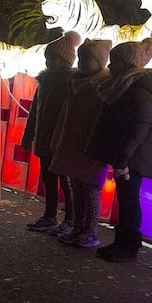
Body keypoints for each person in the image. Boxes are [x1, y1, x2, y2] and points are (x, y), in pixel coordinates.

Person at [86, 38, 152, 263]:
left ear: (127, 64)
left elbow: (139, 127)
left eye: (116, 62)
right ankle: (122, 242)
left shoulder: (138, 92)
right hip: (129, 155)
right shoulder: (128, 87)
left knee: (130, 200)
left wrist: (123, 157)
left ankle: (128, 246)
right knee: (125, 199)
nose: (111, 67)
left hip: (132, 157)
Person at [49, 39, 113, 249]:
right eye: (81, 58)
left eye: (88, 59)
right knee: (77, 187)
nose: (83, 62)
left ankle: (90, 230)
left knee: (90, 189)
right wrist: (58, 137)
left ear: (100, 62)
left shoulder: (104, 86)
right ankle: (77, 226)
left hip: (92, 146)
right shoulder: (75, 82)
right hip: (74, 143)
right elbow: (65, 114)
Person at [21, 31, 80, 235]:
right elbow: (35, 112)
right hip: (45, 140)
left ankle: (71, 219)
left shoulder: (71, 84)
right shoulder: (44, 83)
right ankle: (50, 216)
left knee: (65, 181)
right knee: (48, 179)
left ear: (63, 59)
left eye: (52, 57)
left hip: (61, 142)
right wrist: (28, 137)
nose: (48, 61)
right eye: (47, 57)